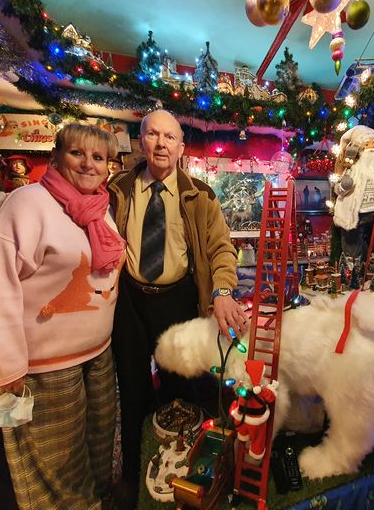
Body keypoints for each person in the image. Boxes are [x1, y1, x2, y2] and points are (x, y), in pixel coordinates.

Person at [0, 124, 124, 509]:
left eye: (99, 158)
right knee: (58, 467)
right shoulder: (27, 204)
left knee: (98, 448)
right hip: (45, 367)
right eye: (78, 154)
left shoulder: (100, 209)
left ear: (108, 167)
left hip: (97, 356)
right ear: (56, 156)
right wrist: (6, 367)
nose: (89, 164)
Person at [108, 109, 248, 507]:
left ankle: (179, 476)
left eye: (170, 137)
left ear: (181, 147)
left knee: (179, 391)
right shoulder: (117, 188)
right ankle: (133, 476)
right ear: (141, 141)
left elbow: (222, 248)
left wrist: (222, 291)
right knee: (132, 390)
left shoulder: (200, 194)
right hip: (130, 301)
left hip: (179, 300)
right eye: (153, 134)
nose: (161, 143)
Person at [333, 125, 374, 262]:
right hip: (359, 213)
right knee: (352, 239)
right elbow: (338, 189)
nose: (371, 147)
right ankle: (352, 268)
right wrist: (344, 185)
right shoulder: (354, 168)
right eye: (367, 144)